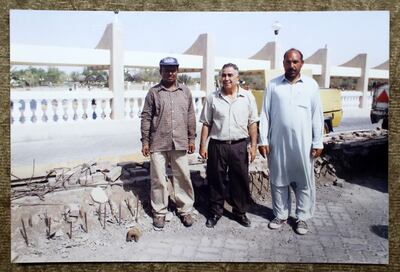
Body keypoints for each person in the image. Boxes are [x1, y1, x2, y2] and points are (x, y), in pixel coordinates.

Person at [258, 48, 324, 235]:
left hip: (304, 144)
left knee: (304, 181)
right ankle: (280, 215)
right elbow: (264, 115)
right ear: (283, 63)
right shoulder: (273, 85)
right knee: (278, 180)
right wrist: (263, 140)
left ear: (302, 63)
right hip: (278, 143)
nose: (291, 65)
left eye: (295, 62)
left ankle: (302, 218)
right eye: (288, 62)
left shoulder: (311, 86)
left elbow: (317, 116)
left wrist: (318, 142)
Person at [199, 63, 258, 228]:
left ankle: (240, 212)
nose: (226, 78)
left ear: (237, 78)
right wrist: (202, 145)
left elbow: (252, 123)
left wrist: (253, 146)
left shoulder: (247, 97)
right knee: (216, 180)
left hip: (239, 146)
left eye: (230, 75)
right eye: (223, 75)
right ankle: (215, 212)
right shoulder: (212, 98)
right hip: (217, 145)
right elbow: (206, 123)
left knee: (240, 180)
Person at [140, 57, 196, 229]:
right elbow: (146, 117)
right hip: (158, 142)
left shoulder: (185, 92)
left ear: (178, 70)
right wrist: (145, 141)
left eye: (173, 69)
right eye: (166, 69)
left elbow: (190, 116)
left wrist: (191, 138)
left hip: (179, 142)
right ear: (160, 71)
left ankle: (185, 210)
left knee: (183, 177)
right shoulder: (153, 93)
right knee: (158, 179)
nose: (170, 72)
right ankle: (159, 212)